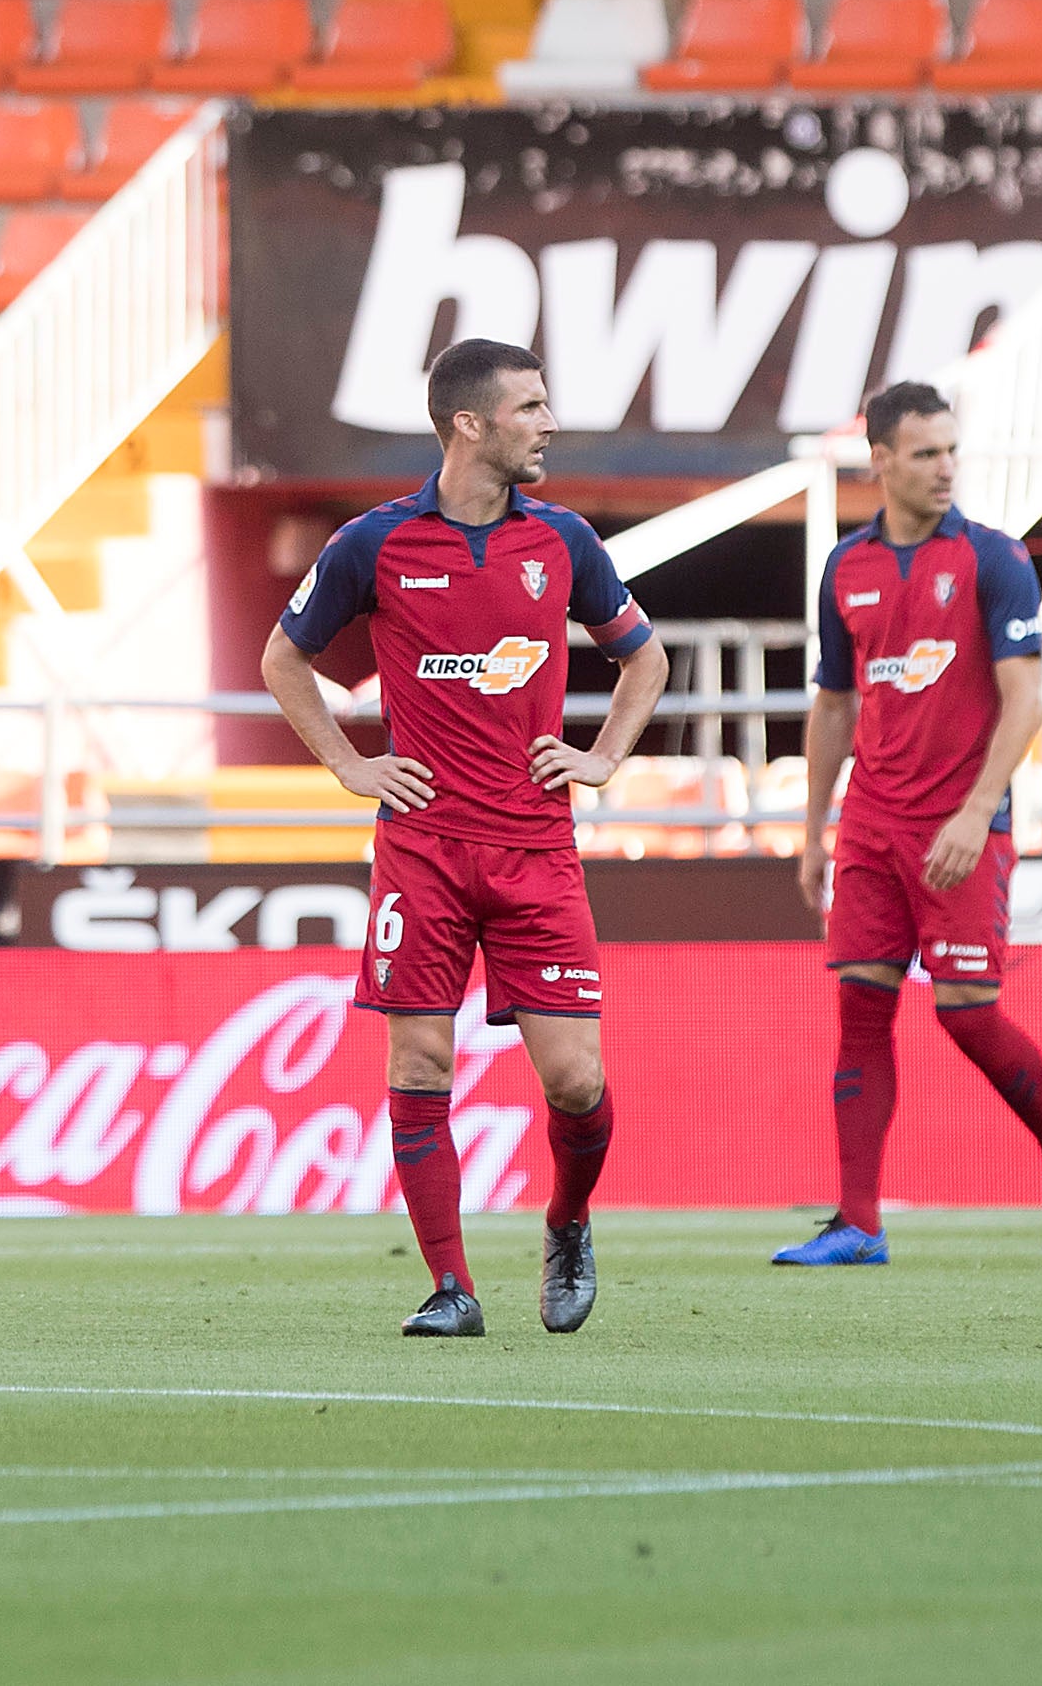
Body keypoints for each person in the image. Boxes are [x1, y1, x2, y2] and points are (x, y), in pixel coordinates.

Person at [259, 339, 664, 1341]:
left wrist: (603, 756)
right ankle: (451, 1286)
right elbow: (284, 656)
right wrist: (349, 765)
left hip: (535, 850)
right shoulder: (376, 543)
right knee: (421, 1062)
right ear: (470, 424)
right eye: (529, 406)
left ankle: (566, 1223)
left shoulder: (563, 541)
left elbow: (643, 658)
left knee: (575, 1079)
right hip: (423, 849)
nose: (549, 422)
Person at [773, 381, 1042, 1270]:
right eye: (925, 452)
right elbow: (833, 704)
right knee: (861, 1010)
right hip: (872, 826)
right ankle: (858, 1220)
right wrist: (814, 831)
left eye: (951, 449)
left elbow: (1027, 698)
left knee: (967, 1013)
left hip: (964, 824)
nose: (945, 466)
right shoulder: (847, 568)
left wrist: (973, 810)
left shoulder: (996, 559)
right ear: (880, 460)